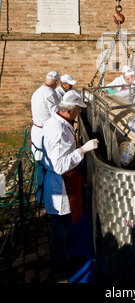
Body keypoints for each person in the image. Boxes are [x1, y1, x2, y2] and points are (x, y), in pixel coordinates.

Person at [42, 90, 99, 277]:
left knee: (62, 226)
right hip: (61, 184)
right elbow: (60, 166)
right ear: (69, 110)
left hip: (64, 181)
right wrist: (83, 149)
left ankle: (63, 257)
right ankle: (60, 265)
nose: (79, 113)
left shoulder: (57, 121)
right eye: (77, 110)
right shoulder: (58, 129)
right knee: (59, 227)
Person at [31, 71, 60, 201]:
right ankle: (43, 196)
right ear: (55, 82)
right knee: (46, 163)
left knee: (39, 162)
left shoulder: (37, 91)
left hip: (37, 129)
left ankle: (39, 195)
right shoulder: (50, 93)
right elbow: (55, 114)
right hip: (45, 131)